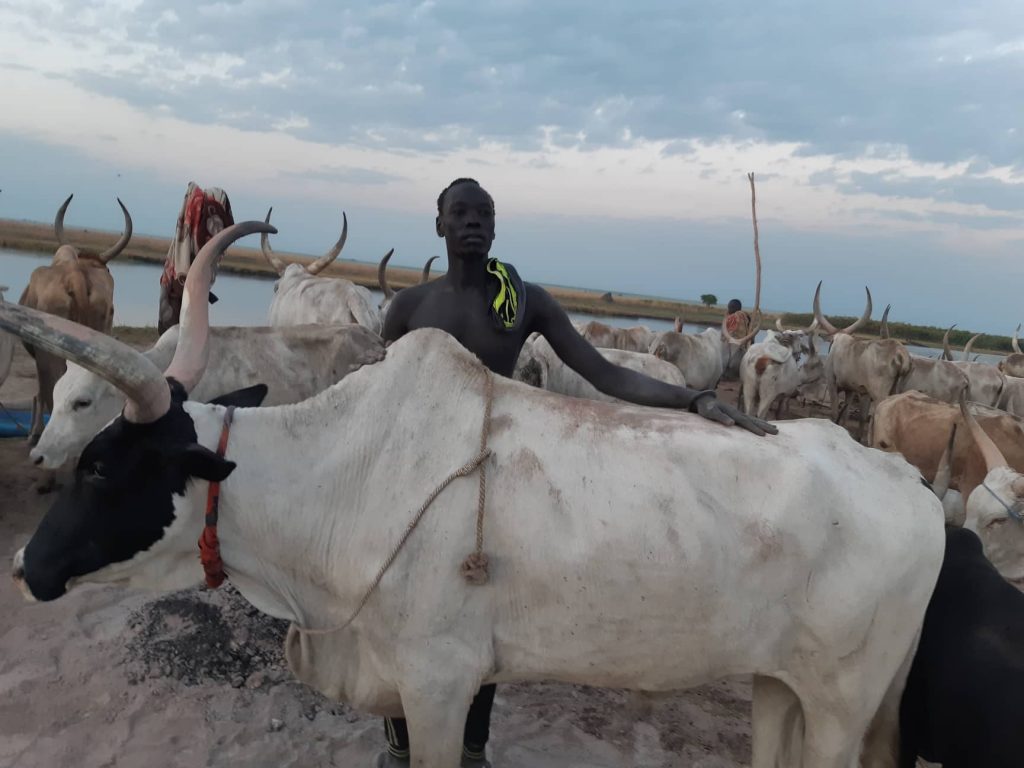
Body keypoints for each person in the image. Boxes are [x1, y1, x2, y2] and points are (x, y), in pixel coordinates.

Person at [377, 178, 776, 767]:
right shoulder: (408, 309)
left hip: (492, 483)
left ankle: (472, 750)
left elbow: (601, 372)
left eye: (484, 213)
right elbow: (382, 399)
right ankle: (399, 746)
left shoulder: (521, 299)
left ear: (495, 226)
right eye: (459, 213)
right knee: (399, 612)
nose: (473, 223)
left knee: (483, 624)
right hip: (415, 484)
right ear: (437, 224)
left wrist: (690, 399)